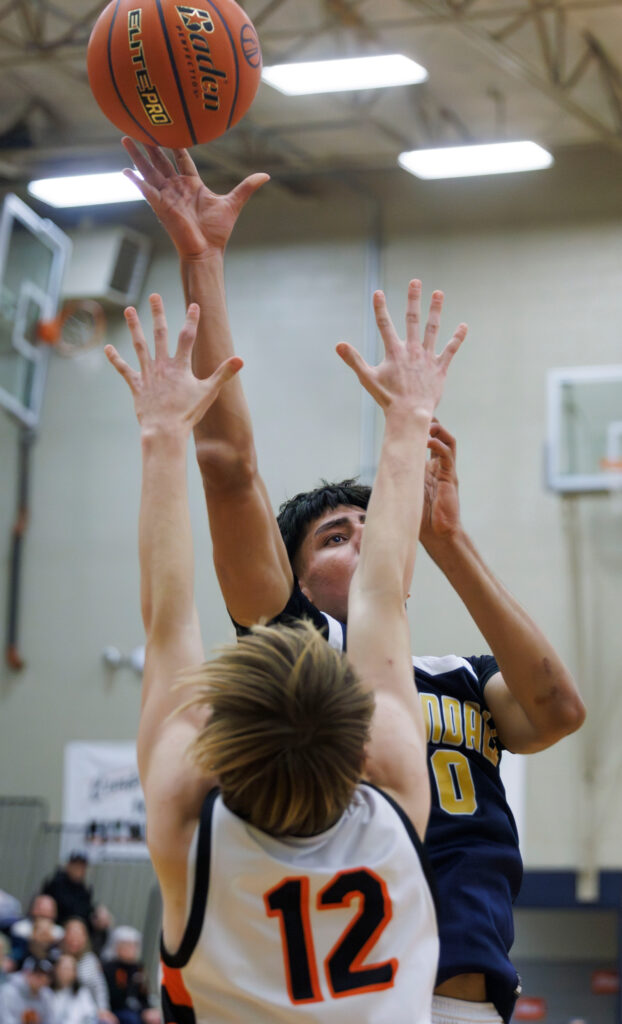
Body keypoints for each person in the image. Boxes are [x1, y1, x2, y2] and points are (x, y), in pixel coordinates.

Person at [122, 142, 587, 1024]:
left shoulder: (451, 677)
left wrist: (447, 540)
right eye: (339, 534)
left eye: (376, 523)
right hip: (395, 992)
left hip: (444, 988)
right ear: (287, 578)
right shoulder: (305, 653)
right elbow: (230, 470)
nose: (370, 537)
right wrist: (200, 264)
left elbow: (559, 708)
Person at [104, 282, 465, 1021]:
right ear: (358, 739)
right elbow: (173, 627)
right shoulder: (391, 793)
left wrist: (162, 435)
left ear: (218, 746)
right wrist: (409, 420)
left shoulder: (193, 833)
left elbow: (168, 621)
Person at [61, 917, 116, 1023]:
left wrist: (103, 1009)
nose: (74, 939)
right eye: (71, 934)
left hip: (86, 1008)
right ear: (64, 936)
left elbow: (99, 988)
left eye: (79, 935)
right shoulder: (55, 956)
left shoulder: (91, 960)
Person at [102, 926, 160, 1024]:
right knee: (132, 1019)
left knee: (156, 1017)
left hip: (136, 1009)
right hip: (118, 1009)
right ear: (117, 947)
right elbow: (115, 997)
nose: (132, 949)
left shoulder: (138, 967)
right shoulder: (111, 968)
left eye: (134, 945)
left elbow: (144, 994)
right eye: (127, 945)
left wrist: (148, 1009)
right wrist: (131, 982)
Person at [0, 955, 55, 1023]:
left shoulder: (47, 995)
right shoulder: (8, 992)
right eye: (38, 976)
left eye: (46, 977)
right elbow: (5, 1020)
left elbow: (50, 1021)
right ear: (27, 973)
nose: (43, 980)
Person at [50, 953, 98, 1024]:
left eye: (70, 969)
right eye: (64, 968)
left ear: (75, 973)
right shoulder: (46, 992)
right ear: (56, 970)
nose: (66, 972)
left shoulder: (82, 993)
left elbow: (91, 1016)